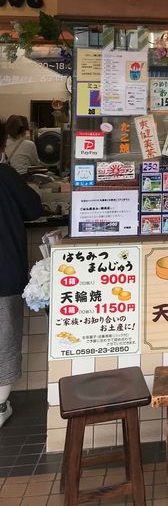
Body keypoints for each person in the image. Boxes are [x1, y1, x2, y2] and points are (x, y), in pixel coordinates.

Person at [0, 119, 43, 428]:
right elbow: (33, 208)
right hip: (4, 271)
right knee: (5, 337)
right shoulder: (4, 176)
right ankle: (0, 404)